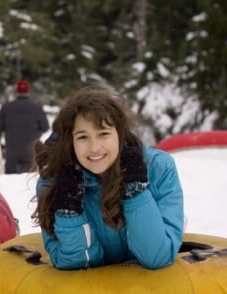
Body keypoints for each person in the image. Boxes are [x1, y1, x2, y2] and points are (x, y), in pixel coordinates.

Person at [31, 86, 184, 270]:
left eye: (103, 134)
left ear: (120, 134)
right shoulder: (53, 182)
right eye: (82, 137)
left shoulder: (158, 169)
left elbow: (157, 256)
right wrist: (69, 213)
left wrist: (135, 191)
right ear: (70, 142)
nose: (94, 147)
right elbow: (75, 266)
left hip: (148, 291)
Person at [0, 79, 49, 173]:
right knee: (28, 183)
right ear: (28, 91)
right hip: (30, 152)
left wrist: (0, 145)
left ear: (17, 91)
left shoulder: (6, 107)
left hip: (11, 153)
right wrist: (36, 134)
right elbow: (45, 127)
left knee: (8, 183)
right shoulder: (36, 108)